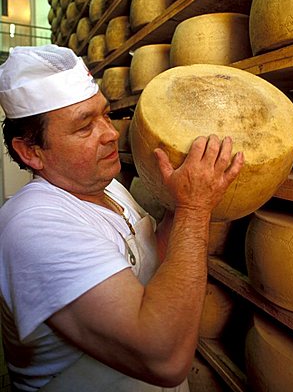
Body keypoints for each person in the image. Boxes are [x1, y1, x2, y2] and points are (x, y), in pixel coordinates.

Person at [0, 45, 244, 392]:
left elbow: (152, 258)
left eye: (105, 115)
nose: (111, 133)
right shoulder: (33, 224)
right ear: (32, 152)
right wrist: (194, 209)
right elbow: (164, 358)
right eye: (85, 127)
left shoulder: (107, 187)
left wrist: (181, 202)